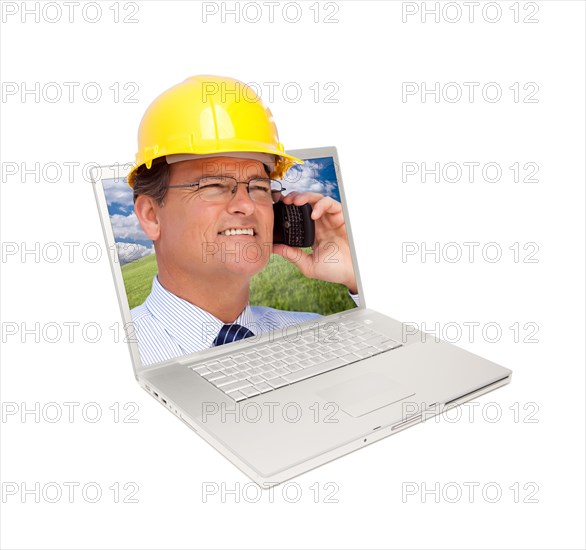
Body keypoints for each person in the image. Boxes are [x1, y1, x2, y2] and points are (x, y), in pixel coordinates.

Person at [126, 75, 359, 366]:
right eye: (213, 186)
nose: (246, 204)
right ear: (151, 216)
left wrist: (353, 275)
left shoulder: (311, 330)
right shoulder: (121, 352)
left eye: (259, 187)